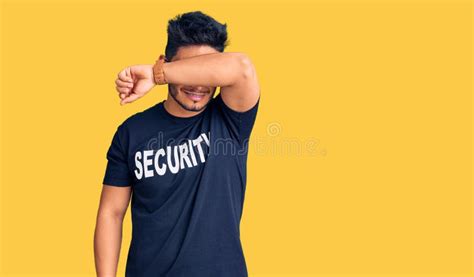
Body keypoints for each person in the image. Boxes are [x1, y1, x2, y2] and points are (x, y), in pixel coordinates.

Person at [94, 10, 260, 277]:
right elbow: (111, 213)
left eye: (205, 71)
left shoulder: (231, 120)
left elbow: (241, 68)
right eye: (188, 70)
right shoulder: (131, 132)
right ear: (166, 61)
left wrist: (157, 74)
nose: (198, 85)